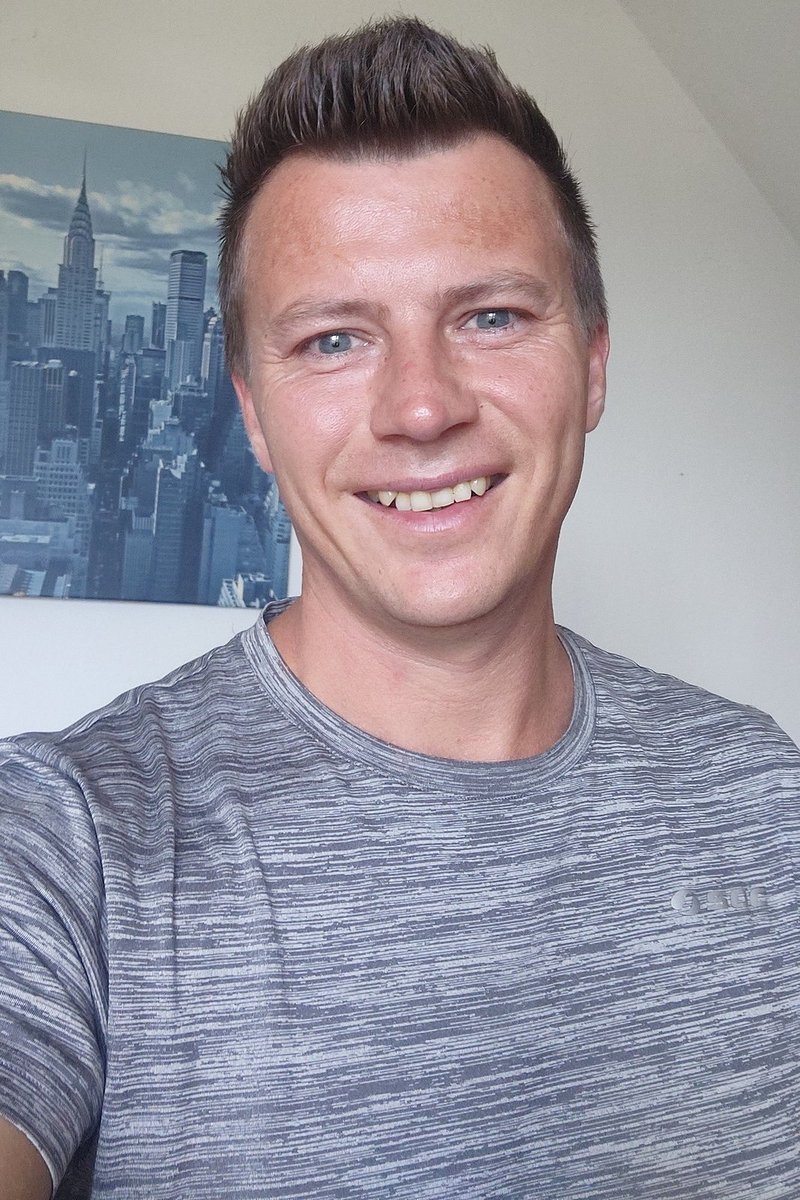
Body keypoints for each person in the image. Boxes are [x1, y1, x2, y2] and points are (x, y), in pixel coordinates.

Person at [1, 16, 798, 1200]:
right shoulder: (66, 838)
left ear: (589, 364)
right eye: (333, 339)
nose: (420, 408)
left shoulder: (759, 789)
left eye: (490, 316)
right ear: (254, 415)